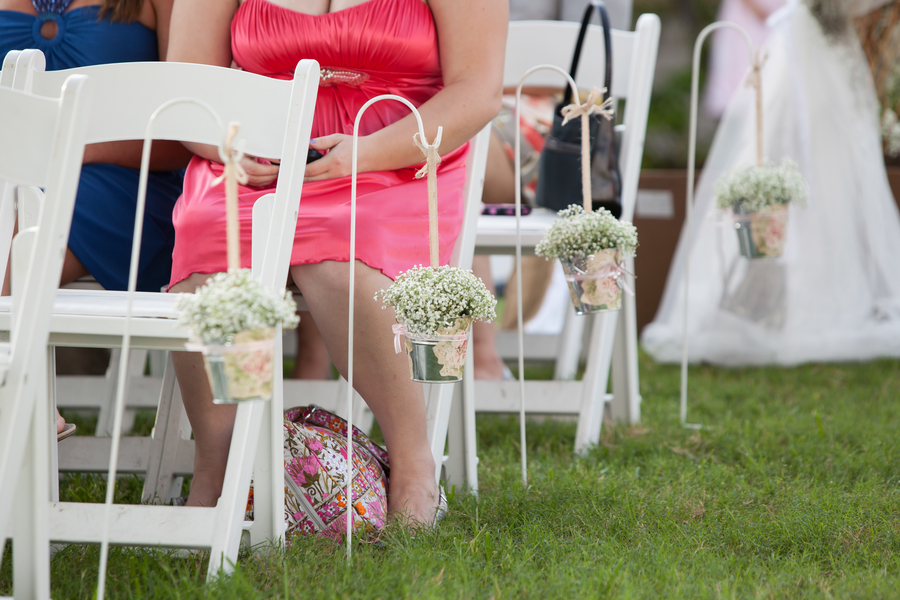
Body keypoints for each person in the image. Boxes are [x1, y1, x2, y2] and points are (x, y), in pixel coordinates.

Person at [165, 0, 507, 525]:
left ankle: (413, 461)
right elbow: (188, 90)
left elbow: (477, 91)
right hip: (257, 161)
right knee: (213, 248)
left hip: (399, 156)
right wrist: (234, 149)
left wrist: (363, 154)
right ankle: (217, 468)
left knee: (339, 258)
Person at [641, 0, 900, 366]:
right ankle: (766, 297)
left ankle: (816, 296)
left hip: (822, 48)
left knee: (826, 173)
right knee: (771, 160)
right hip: (794, 47)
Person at [0, 0, 191, 439]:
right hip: (16, 179)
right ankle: (24, 405)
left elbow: (183, 133)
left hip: (132, 185)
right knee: (16, 203)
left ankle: (19, 404)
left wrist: (63, 147)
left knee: (18, 219)